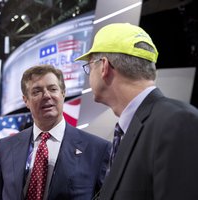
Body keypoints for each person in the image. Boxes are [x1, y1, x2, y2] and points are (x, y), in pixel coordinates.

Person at [75, 23, 198, 200]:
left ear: (104, 66)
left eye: (89, 67)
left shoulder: (179, 123)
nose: (89, 76)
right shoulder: (136, 129)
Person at [0, 65, 111, 200]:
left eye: (53, 89)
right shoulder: (6, 147)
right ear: (26, 101)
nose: (46, 95)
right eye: (36, 91)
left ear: (63, 93)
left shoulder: (97, 149)